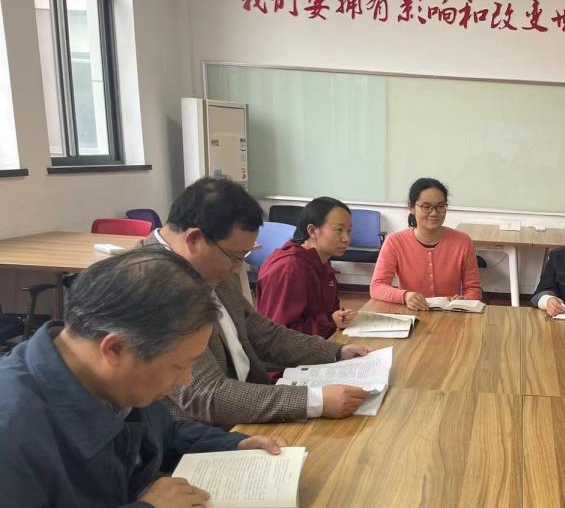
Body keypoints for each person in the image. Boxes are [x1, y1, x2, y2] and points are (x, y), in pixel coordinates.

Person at [0, 248, 288, 508]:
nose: (185, 381)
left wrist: (232, 443)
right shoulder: (12, 430)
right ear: (114, 349)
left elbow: (161, 433)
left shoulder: (110, 380)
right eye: (178, 366)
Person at [144, 178, 370, 426]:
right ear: (194, 240)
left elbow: (262, 333)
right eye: (236, 257)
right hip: (207, 431)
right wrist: (314, 401)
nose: (237, 269)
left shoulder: (210, 262)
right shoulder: (152, 285)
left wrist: (335, 352)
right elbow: (206, 396)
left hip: (251, 405)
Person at [370, 177, 482, 309]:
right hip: (411, 313)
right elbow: (377, 287)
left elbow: (474, 289)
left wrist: (464, 300)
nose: (434, 213)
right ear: (411, 207)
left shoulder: (462, 241)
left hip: (451, 314)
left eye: (440, 206)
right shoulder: (395, 242)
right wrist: (405, 296)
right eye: (426, 207)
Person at [256, 196, 357, 338]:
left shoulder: (322, 261)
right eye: (339, 230)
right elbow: (278, 335)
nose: (346, 238)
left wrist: (334, 318)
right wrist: (329, 321)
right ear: (312, 231)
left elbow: (323, 313)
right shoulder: (289, 268)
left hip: (321, 342)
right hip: (293, 351)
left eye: (349, 231)